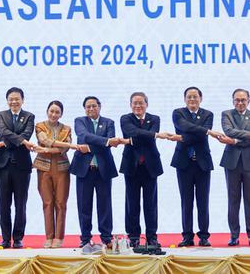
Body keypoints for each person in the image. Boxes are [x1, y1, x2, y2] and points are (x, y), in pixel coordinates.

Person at [70, 96, 128, 248]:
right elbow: (83, 136)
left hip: (103, 169)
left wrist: (90, 147)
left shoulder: (109, 122)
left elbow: (108, 143)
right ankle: (85, 238)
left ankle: (106, 237)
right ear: (84, 109)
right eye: (88, 107)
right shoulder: (80, 121)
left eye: (94, 106)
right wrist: (106, 141)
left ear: (99, 107)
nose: (91, 109)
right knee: (84, 205)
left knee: (105, 205)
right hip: (84, 170)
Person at [119, 92, 172, 247]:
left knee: (151, 204)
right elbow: (132, 133)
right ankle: (134, 237)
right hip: (131, 166)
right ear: (130, 105)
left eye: (141, 103)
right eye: (135, 103)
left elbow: (142, 138)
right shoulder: (125, 118)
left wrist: (146, 136)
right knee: (132, 203)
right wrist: (155, 134)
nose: (138, 106)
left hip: (150, 166)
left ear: (146, 104)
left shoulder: (154, 118)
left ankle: (152, 236)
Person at [171, 86, 220, 247]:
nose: (192, 100)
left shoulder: (208, 114)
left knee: (203, 201)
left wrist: (183, 137)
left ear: (201, 98)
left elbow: (192, 134)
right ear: (185, 99)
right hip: (184, 163)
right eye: (189, 97)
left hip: (202, 163)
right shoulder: (178, 113)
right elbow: (184, 127)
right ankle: (187, 236)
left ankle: (204, 236)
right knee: (186, 201)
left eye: (195, 97)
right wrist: (206, 132)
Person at [217, 88, 250, 247]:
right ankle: (234, 235)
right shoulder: (227, 114)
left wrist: (235, 140)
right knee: (233, 200)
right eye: (237, 100)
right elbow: (229, 131)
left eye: (243, 100)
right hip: (232, 162)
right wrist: (249, 135)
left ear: (249, 100)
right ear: (233, 101)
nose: (240, 102)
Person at [0, 87, 35, 249]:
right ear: (7, 100)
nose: (14, 101)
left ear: (22, 100)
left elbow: (27, 134)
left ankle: (17, 238)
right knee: (4, 204)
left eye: (17, 99)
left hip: (22, 166)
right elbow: (3, 131)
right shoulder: (1, 115)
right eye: (11, 99)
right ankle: (5, 238)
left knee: (21, 204)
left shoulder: (29, 116)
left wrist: (5, 142)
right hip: (3, 166)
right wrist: (21, 141)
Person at [33, 100, 78, 248]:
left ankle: (59, 237)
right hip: (44, 168)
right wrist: (67, 144)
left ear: (61, 114)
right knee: (47, 203)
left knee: (61, 203)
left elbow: (62, 150)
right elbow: (44, 140)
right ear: (47, 111)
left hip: (62, 168)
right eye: (51, 111)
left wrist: (45, 150)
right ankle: (49, 237)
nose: (54, 114)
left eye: (57, 112)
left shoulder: (67, 129)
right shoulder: (39, 125)